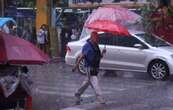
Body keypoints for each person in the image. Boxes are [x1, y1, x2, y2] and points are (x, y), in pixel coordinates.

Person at [72, 31, 106, 105]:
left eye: (98, 38)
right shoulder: (87, 46)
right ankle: (99, 97)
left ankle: (77, 94)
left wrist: (103, 53)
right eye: (96, 38)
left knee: (87, 82)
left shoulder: (96, 46)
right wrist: (76, 66)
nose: (97, 39)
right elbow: (82, 56)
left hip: (95, 67)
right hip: (89, 67)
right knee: (95, 82)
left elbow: (99, 57)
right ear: (91, 37)